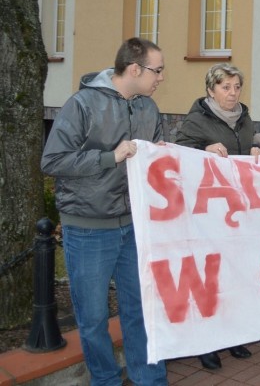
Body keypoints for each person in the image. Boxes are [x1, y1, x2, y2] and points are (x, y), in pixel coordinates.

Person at [41, 38, 168, 385]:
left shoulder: (147, 109)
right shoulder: (82, 104)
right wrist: (109, 157)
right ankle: (106, 380)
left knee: (141, 311)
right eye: (157, 71)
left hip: (134, 226)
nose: (161, 78)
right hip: (88, 229)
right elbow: (52, 161)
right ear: (134, 69)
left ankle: (150, 380)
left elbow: (157, 155)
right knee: (94, 318)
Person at [175, 63, 260, 370]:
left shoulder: (244, 117)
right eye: (226, 87)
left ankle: (232, 336)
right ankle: (207, 343)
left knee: (235, 276)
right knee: (209, 279)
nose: (233, 93)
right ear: (211, 90)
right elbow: (178, 153)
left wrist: (256, 147)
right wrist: (204, 150)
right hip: (207, 214)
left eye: (237, 86)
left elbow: (252, 144)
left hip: (237, 212)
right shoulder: (197, 121)